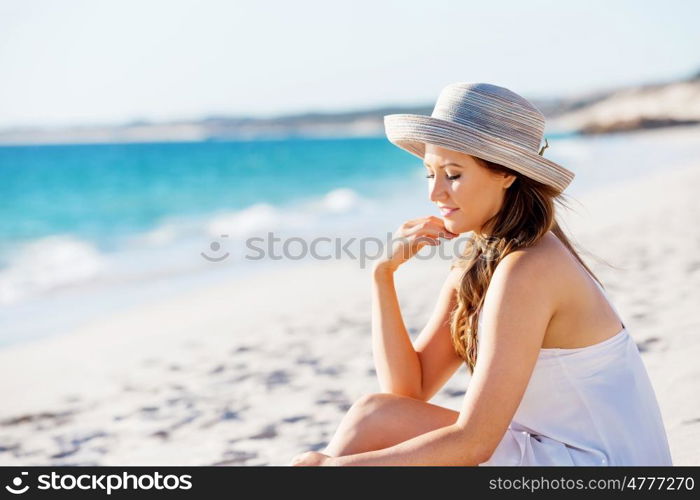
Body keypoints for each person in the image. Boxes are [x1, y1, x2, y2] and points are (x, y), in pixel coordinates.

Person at [290, 82, 672, 466]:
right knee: (374, 414)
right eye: (429, 174)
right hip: (552, 451)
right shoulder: (485, 260)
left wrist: (334, 468)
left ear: (506, 174)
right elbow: (409, 390)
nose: (435, 193)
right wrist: (382, 275)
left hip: (602, 465)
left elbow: (475, 443)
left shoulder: (529, 268)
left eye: (453, 174)